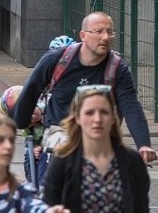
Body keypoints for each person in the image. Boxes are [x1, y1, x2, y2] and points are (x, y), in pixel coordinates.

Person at [40, 85, 157, 213]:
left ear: (113, 117)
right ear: (77, 117)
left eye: (104, 112)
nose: (97, 119)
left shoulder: (131, 163)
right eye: (89, 112)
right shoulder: (62, 164)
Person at [11, 11, 156, 164]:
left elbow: (131, 105)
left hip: (101, 137)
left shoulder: (118, 69)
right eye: (98, 31)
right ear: (83, 35)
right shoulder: (56, 59)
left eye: (110, 32)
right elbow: (31, 90)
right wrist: (19, 122)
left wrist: (143, 144)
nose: (105, 37)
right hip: (60, 133)